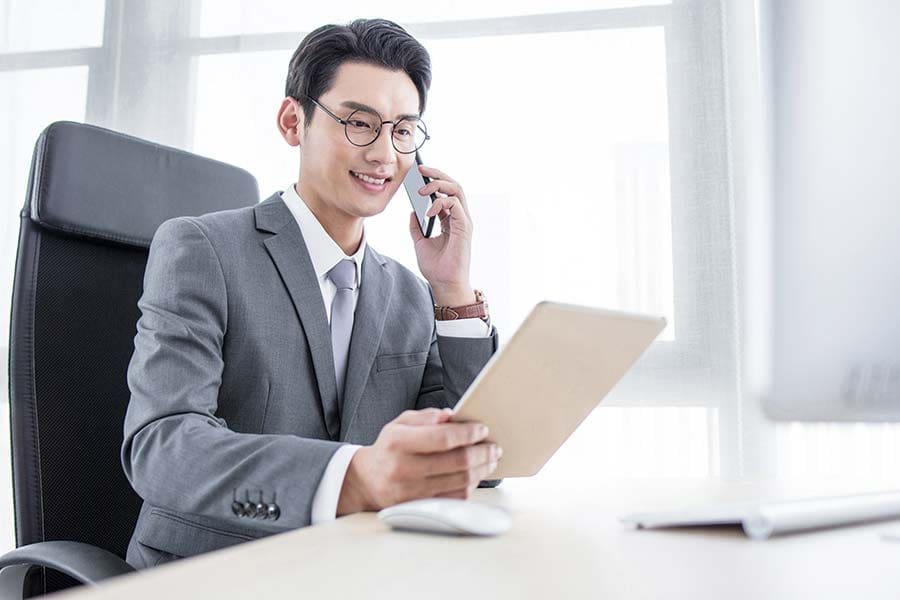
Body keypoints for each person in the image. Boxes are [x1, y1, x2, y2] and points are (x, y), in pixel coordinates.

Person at [121, 18, 501, 569]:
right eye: (359, 123)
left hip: (357, 573)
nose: (384, 155)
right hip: (213, 573)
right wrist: (351, 477)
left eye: (402, 131)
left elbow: (476, 462)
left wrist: (452, 289)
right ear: (292, 121)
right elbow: (162, 446)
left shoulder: (413, 295)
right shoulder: (202, 249)